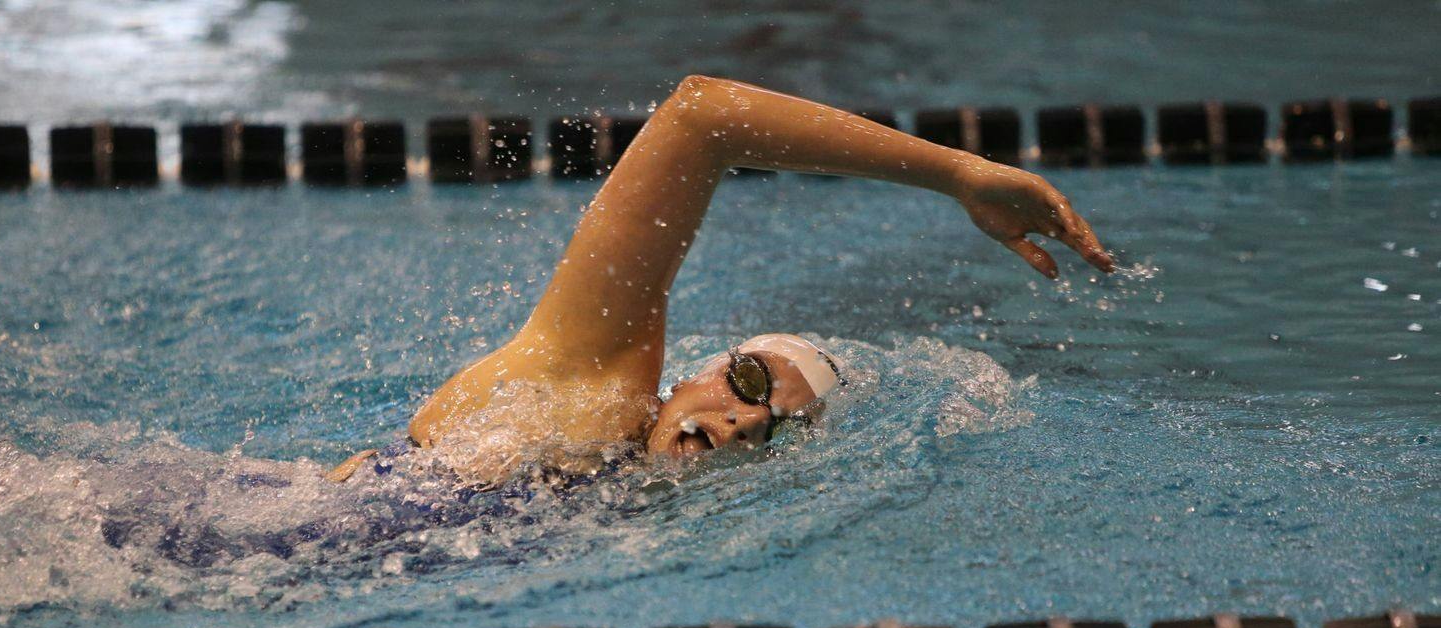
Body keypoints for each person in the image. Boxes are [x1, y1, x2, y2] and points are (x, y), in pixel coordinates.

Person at [327, 75, 1112, 485]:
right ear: (689, 377)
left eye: (777, 427)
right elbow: (702, 118)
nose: (743, 422)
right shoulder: (589, 389)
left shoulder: (628, 513)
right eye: (747, 381)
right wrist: (958, 172)